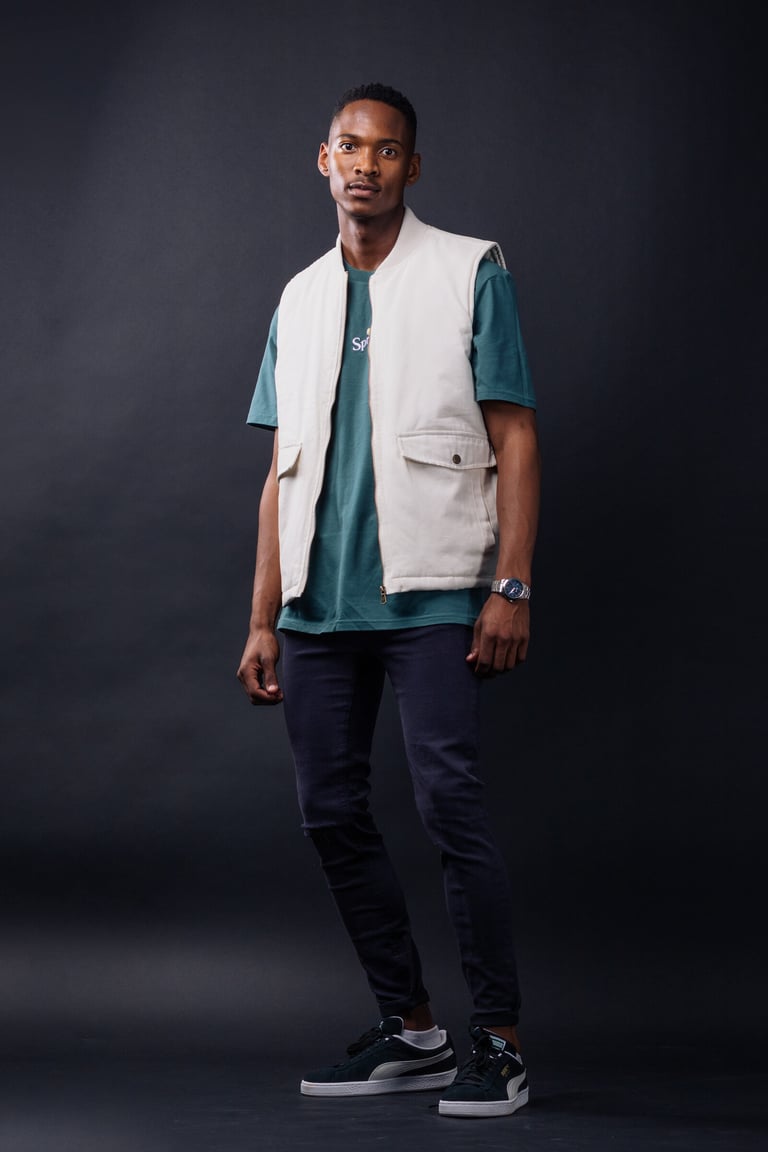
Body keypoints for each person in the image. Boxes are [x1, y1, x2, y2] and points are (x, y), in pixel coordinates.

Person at [237, 83, 540, 1119]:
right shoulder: (298, 297)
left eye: (387, 150)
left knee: (449, 806)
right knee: (329, 812)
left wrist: (510, 584)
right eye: (350, 146)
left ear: (412, 167)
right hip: (318, 611)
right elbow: (282, 469)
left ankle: (498, 1040)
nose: (366, 163)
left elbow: (515, 435)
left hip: (435, 596)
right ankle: (412, 1029)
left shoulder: (469, 270)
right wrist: (263, 615)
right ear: (324, 160)